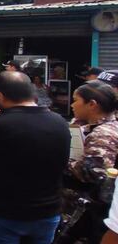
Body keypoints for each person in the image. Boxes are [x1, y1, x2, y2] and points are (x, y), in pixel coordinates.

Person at [0, 71, 70, 244]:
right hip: (47, 213)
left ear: (0, 95)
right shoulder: (60, 123)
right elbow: (29, 152)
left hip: (1, 215)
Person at [63, 80, 118, 243]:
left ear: (92, 104)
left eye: (76, 100)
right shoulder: (85, 125)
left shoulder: (104, 134)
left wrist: (59, 161)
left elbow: (91, 172)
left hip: (87, 212)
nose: (72, 105)